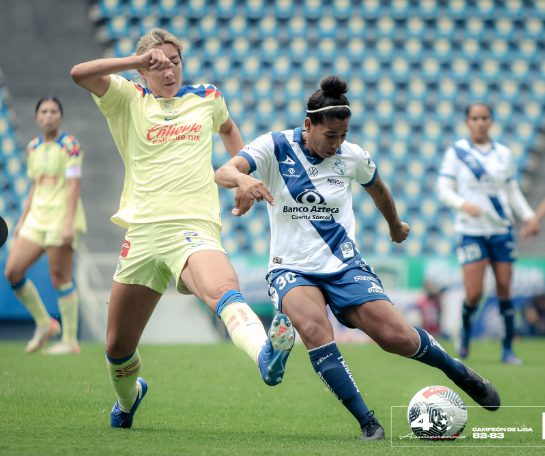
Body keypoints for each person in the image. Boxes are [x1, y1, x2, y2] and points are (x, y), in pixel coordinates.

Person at [214, 76, 501, 441]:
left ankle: (459, 372)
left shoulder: (353, 156)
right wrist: (242, 181)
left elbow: (377, 187)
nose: (337, 144)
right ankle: (369, 423)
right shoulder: (275, 146)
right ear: (308, 125)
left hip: (345, 265)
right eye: (330, 135)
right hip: (290, 267)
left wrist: (395, 226)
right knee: (317, 332)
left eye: (343, 135)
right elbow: (224, 170)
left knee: (397, 337)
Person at [70, 28, 294, 430]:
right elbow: (79, 72)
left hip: (192, 225)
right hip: (141, 233)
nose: (169, 70)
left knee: (222, 292)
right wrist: (135, 62)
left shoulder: (207, 97)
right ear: (144, 71)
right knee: (117, 347)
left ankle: (266, 354)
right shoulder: (128, 97)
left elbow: (228, 130)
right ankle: (129, 398)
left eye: (175, 61)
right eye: (158, 64)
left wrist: (240, 174)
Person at [436, 102, 540, 365]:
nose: (480, 122)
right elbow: (443, 189)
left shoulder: (503, 154)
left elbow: (512, 190)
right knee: (474, 293)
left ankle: (507, 348)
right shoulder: (457, 153)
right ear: (468, 121)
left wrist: (528, 216)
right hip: (471, 232)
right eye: (475, 118)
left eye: (484, 117)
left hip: (501, 230)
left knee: (505, 288)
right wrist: (462, 203)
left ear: (491, 121)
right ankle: (465, 334)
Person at [4, 97, 86, 355]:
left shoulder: (70, 145)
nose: (48, 115)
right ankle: (44, 323)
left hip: (60, 218)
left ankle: (70, 340)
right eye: (44, 111)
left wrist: (68, 223)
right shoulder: (33, 147)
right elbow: (34, 186)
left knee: (59, 278)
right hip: (36, 220)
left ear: (60, 117)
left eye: (53, 111)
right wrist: (21, 220)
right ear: (37, 117)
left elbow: (74, 185)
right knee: (12, 272)